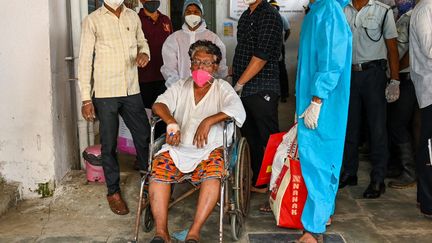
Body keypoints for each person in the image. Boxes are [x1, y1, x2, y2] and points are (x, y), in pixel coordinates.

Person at [149, 40, 246, 243]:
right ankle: (161, 233)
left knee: (213, 174)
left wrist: (209, 120)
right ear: (190, 64)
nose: (200, 67)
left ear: (215, 66)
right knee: (159, 169)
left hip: (210, 148)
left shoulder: (222, 88)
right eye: (196, 62)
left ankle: (194, 233)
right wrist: (171, 122)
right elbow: (159, 104)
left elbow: (237, 110)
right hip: (178, 147)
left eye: (206, 63)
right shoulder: (180, 86)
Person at [78, 0, 151, 215]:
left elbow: (142, 42)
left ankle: (149, 185)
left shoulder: (132, 16)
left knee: (144, 138)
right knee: (108, 144)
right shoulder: (92, 20)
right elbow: (84, 61)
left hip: (131, 90)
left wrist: (144, 53)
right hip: (105, 92)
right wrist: (85, 99)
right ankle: (113, 191)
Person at [294, 0, 352, 242]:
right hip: (312, 98)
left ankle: (313, 231)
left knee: (319, 162)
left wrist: (317, 100)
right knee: (317, 161)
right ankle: (322, 214)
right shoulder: (317, 10)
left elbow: (331, 61)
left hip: (323, 101)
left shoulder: (328, 9)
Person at [340, 0, 400, 199]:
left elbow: (392, 48)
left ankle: (378, 179)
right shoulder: (343, 9)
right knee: (350, 125)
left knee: (377, 128)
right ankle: (349, 172)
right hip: (348, 74)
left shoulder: (383, 11)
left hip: (373, 74)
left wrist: (395, 80)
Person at [232, 0, 282, 192]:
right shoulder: (246, 15)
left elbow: (261, 57)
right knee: (250, 137)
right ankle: (260, 181)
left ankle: (276, 184)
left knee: (268, 139)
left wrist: (239, 83)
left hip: (263, 88)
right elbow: (244, 50)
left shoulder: (269, 15)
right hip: (245, 88)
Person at [160, 0, 228, 88]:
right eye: (188, 12)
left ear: (202, 15)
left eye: (196, 12)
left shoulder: (213, 38)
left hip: (208, 88)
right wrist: (180, 89)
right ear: (184, 15)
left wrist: (212, 86)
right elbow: (169, 70)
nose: (192, 15)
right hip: (181, 90)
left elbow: (220, 67)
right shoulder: (174, 39)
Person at [387, 7, 417, 189]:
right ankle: (402, 166)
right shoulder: (407, 15)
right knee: (403, 124)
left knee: (397, 124)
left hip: (406, 77)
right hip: (408, 77)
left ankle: (409, 171)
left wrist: (394, 73)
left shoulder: (414, 16)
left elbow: (409, 54)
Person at [409, 0, 432, 219]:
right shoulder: (426, 8)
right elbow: (429, 48)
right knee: (430, 150)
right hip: (430, 89)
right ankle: (428, 202)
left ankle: (425, 198)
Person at [138, 0, 172, 138]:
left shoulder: (165, 20)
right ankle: (146, 152)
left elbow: (172, 45)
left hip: (165, 77)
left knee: (163, 114)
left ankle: (161, 149)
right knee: (144, 118)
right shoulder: (135, 20)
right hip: (143, 78)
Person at [269, 0, 291, 103]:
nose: (274, 9)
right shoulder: (266, 18)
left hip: (279, 47)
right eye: (271, 7)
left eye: (275, 7)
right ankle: (272, 94)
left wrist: (283, 41)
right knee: (269, 70)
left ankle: (284, 94)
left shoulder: (282, 17)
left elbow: (288, 30)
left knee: (281, 70)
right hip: (268, 47)